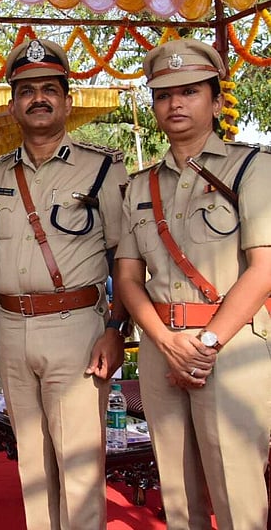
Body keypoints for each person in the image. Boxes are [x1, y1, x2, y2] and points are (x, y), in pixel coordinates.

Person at [0, 38, 129, 530]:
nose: (38, 98)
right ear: (12, 104)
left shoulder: (102, 167)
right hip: (11, 327)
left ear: (67, 100)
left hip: (75, 328)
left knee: (79, 468)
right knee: (34, 469)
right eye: (26, 90)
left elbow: (125, 256)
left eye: (48, 89)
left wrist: (116, 329)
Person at [115, 39, 271, 530]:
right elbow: (127, 277)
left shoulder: (253, 168)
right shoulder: (140, 185)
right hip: (162, 345)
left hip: (231, 346)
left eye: (189, 92)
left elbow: (264, 268)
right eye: (163, 95)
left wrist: (206, 346)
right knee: (179, 498)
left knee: (237, 495)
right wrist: (164, 342)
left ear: (217, 101)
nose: (175, 104)